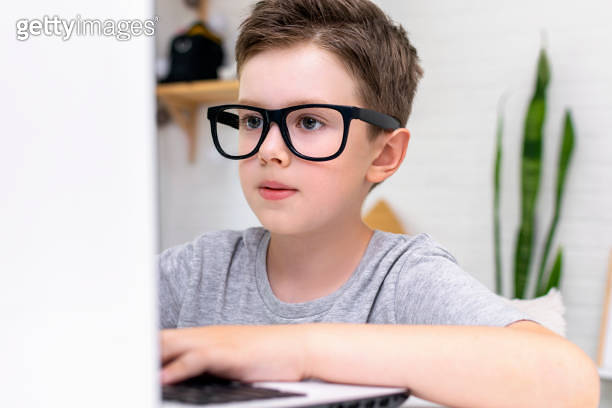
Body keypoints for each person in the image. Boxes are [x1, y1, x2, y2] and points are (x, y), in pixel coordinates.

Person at [158, 0, 599, 406]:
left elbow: (567, 381)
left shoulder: (402, 279)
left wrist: (295, 349)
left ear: (384, 155)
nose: (269, 149)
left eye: (309, 121)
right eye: (253, 119)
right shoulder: (198, 272)